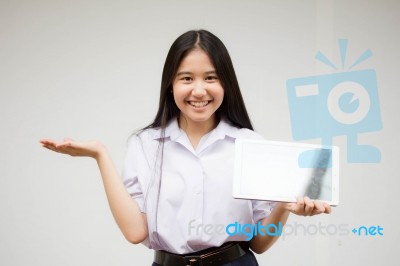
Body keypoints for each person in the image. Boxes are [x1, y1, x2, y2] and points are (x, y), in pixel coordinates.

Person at [40, 29, 331, 266]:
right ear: (171, 84)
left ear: (225, 84)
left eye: (211, 77)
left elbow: (259, 243)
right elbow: (135, 232)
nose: (199, 90)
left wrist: (284, 205)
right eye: (187, 78)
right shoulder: (145, 144)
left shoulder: (251, 145)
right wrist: (100, 154)